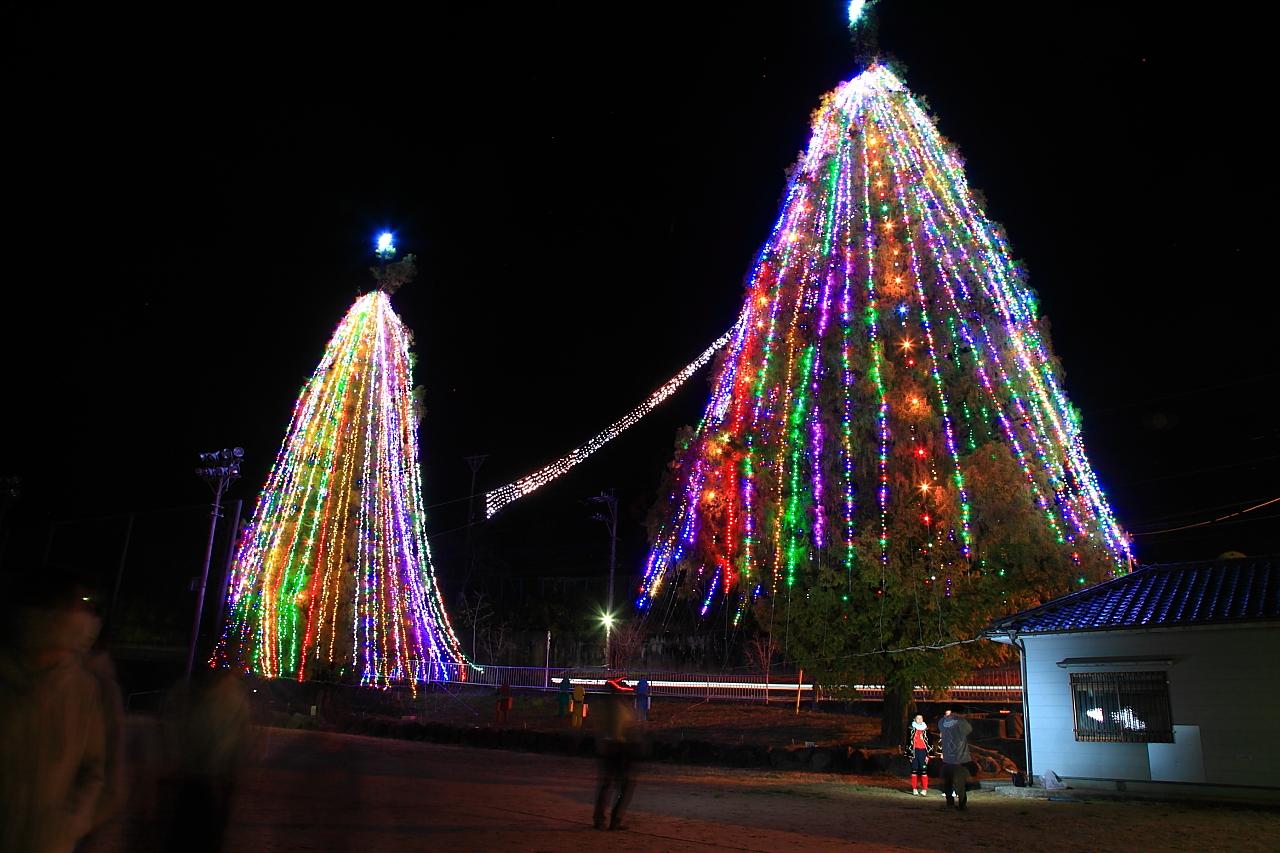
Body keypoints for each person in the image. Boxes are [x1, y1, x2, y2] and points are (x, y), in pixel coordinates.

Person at [0, 573, 108, 853]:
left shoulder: (83, 689)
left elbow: (93, 767)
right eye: (76, 608)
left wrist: (70, 822)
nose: (86, 620)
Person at [593, 680, 639, 831]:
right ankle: (615, 819)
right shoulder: (620, 708)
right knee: (624, 786)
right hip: (619, 748)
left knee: (607, 784)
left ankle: (599, 819)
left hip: (607, 747)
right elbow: (627, 727)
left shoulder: (605, 706)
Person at [937, 708, 973, 810]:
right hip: (959, 758)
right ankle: (961, 804)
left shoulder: (944, 723)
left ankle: (950, 803)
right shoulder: (960, 723)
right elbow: (968, 729)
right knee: (959, 783)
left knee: (948, 782)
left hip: (949, 758)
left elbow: (940, 724)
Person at [907, 713, 930, 796]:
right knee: (914, 770)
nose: (920, 720)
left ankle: (924, 789)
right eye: (918, 718)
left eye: (921, 718)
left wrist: (928, 755)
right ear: (914, 719)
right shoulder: (911, 729)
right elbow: (908, 742)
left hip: (923, 752)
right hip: (914, 752)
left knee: (924, 771)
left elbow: (930, 743)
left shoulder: (926, 729)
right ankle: (914, 789)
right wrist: (909, 754)